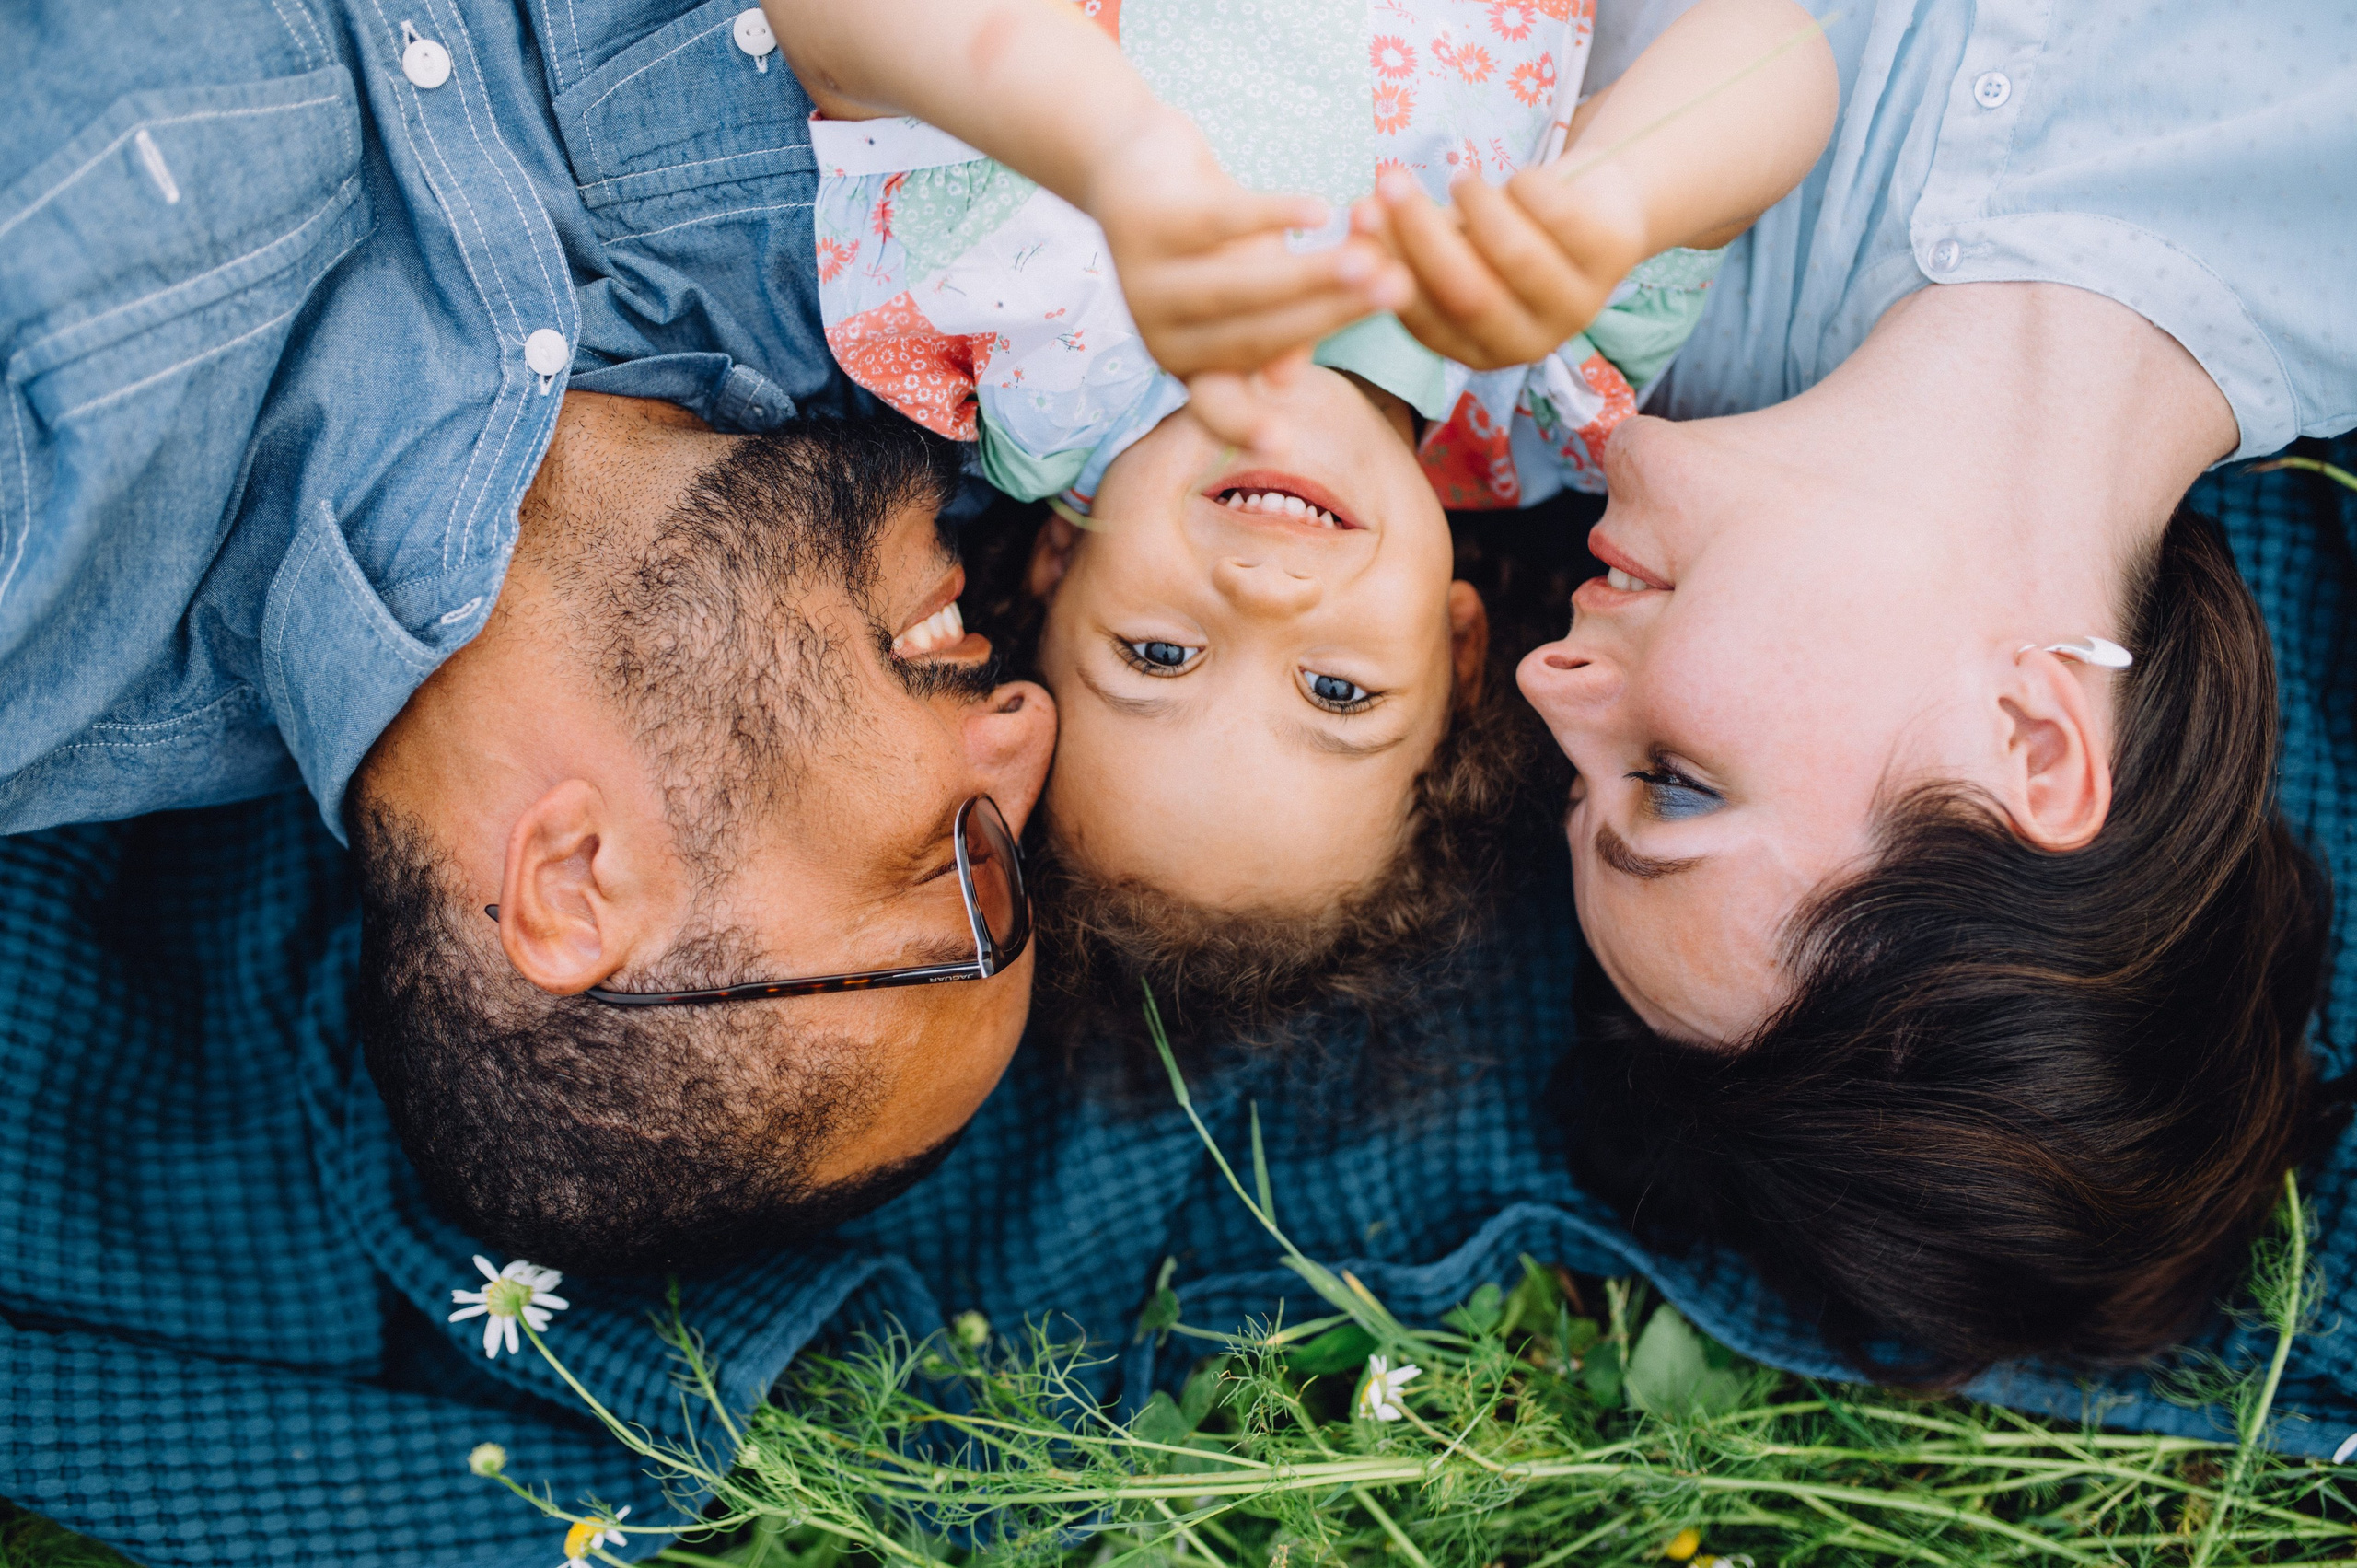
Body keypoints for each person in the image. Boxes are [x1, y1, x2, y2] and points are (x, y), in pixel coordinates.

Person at [0, 0, 1376, 1272]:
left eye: (965, 877)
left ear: (575, 880)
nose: (1029, 729)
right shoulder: (953, 328)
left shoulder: (45, 561)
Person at [1355, 2, 2357, 1369]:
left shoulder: (1592, 326)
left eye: (1585, 790)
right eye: (1676, 784)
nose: (1549, 678)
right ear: (2031, 745)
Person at [771, 0, 1836, 1023]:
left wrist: (1114, 156)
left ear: (1056, 565)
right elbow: (1782, 50)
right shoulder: (1541, 383)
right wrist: (1617, 199)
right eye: (1336, 688)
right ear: (1456, 647)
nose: (1260, 595)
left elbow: (830, 29)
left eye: (1157, 655)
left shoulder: (1023, 342)